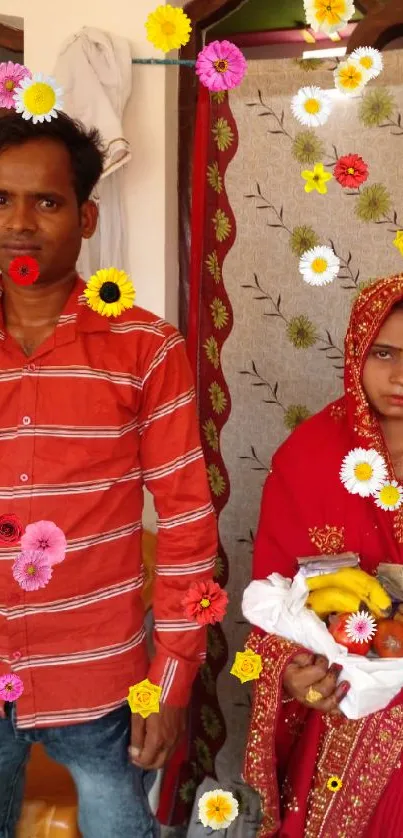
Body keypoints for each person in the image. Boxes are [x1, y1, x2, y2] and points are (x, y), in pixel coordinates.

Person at [0, 110, 217, 838]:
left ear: (87, 217)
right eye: (1, 200)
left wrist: (172, 679)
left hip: (102, 684)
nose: (20, 223)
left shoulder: (145, 349)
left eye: (47, 201)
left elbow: (187, 525)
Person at [243, 274, 403, 838]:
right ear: (357, 350)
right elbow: (272, 600)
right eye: (383, 353)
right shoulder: (309, 459)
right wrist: (292, 671)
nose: (400, 375)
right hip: (349, 706)